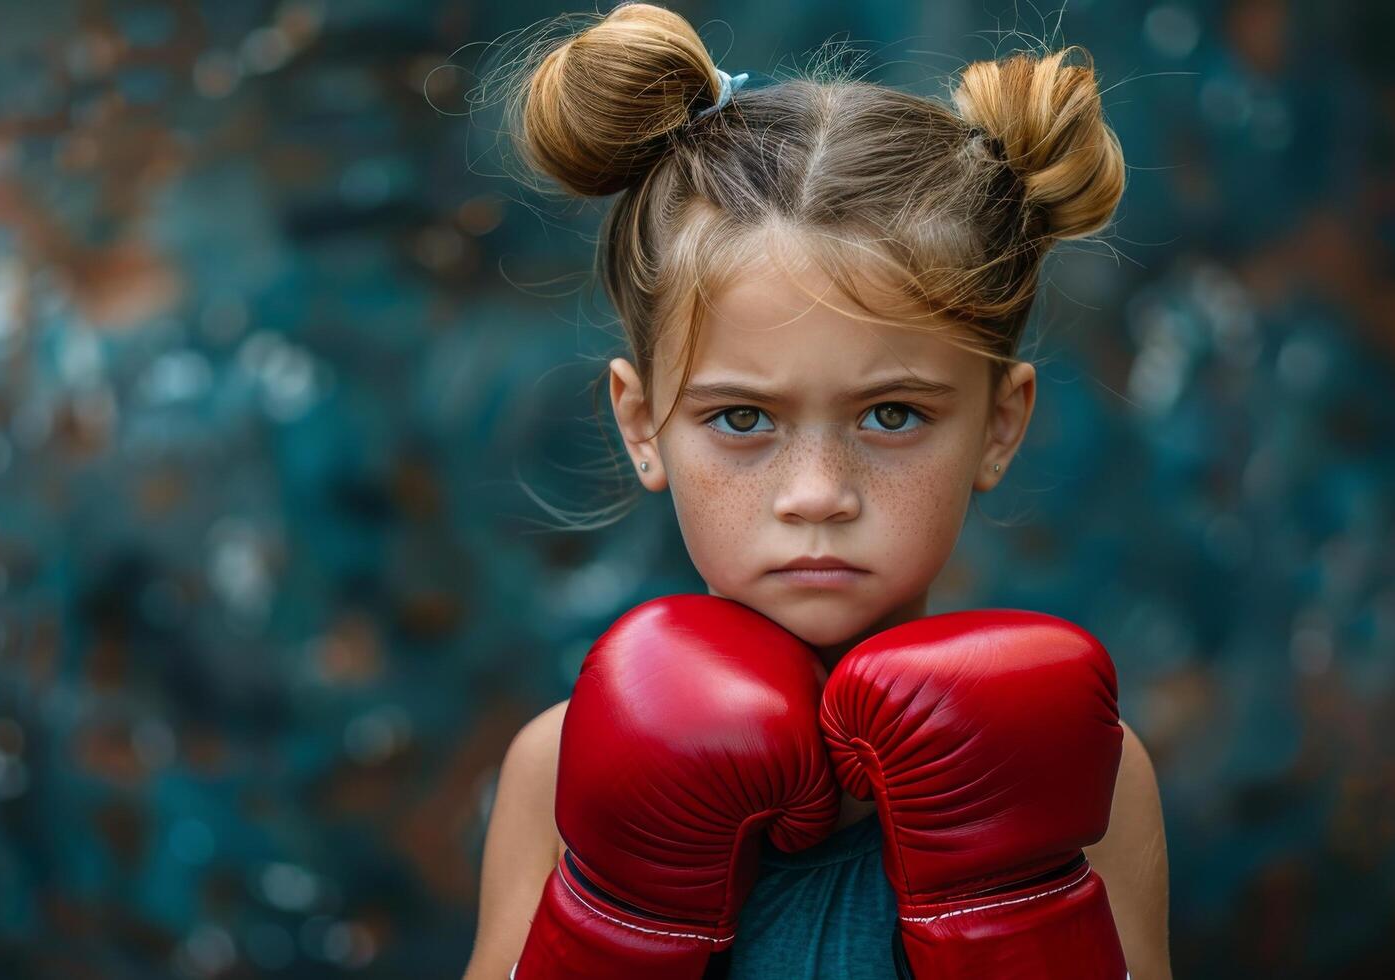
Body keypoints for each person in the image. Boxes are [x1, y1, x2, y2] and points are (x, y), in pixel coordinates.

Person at [461, 3, 1171, 978]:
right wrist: (615, 921)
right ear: (641, 422)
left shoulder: (1085, 771)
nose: (818, 495)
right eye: (743, 419)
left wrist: (1016, 916)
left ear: (1000, 423)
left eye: (891, 415)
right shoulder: (562, 765)